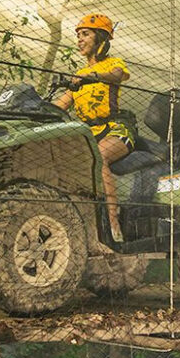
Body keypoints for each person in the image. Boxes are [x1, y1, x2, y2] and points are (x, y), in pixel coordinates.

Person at [53, 13, 133, 242]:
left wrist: (93, 76)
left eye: (85, 34)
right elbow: (62, 103)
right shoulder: (78, 75)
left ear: (101, 38)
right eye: (78, 35)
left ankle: (113, 225)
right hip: (88, 134)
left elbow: (117, 76)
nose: (79, 39)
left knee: (99, 158)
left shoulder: (113, 64)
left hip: (116, 128)